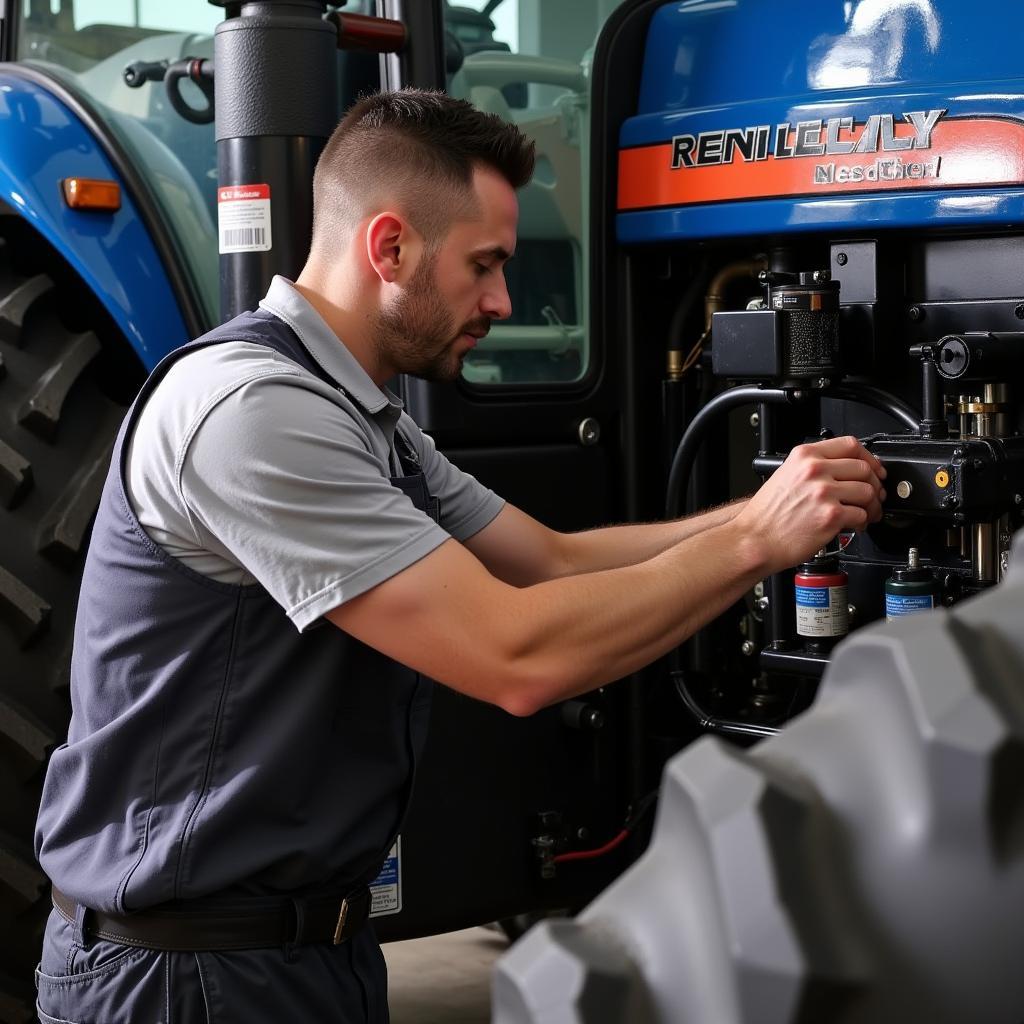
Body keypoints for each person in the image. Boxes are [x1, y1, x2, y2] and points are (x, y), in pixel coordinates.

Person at [33, 89, 886, 1023]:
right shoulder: (254, 414)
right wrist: (759, 538)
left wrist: (769, 513)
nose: (502, 301)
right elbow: (518, 657)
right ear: (389, 247)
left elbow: (553, 562)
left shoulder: (362, 416)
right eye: (484, 266)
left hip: (302, 953)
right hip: (184, 977)